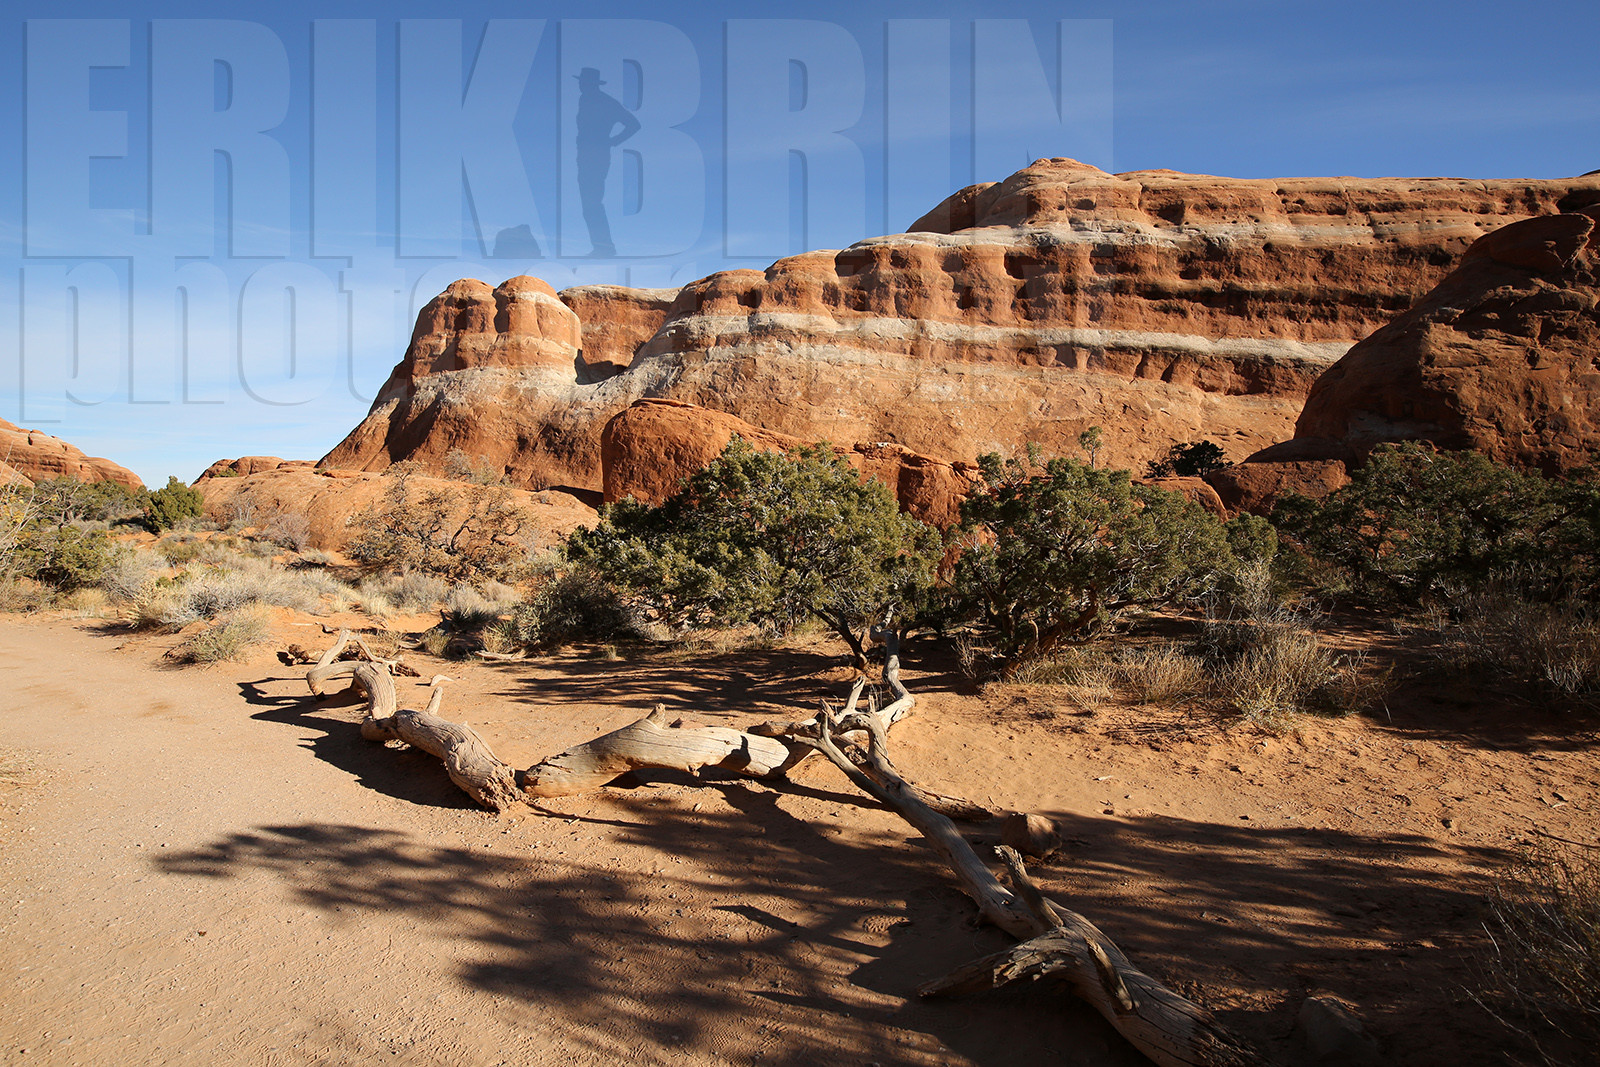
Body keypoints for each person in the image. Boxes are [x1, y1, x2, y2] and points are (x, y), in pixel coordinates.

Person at [574, 67, 640, 258]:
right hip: (585, 155)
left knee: (592, 202)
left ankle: (604, 247)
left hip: (597, 156)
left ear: (591, 84)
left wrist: (612, 141)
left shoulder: (606, 102)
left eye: (583, 82)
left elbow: (634, 124)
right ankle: (601, 247)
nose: (580, 85)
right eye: (580, 82)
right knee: (588, 203)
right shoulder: (584, 100)